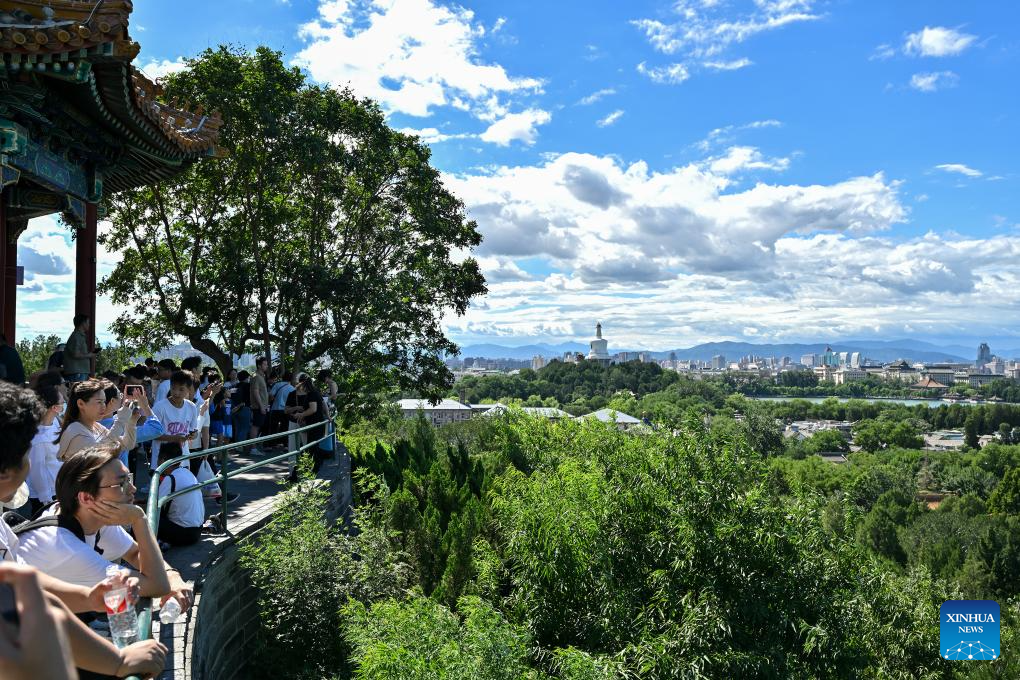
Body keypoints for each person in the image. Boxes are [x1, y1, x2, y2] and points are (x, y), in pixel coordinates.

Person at [0, 382, 169, 679]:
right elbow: (23, 605)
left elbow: (22, 584)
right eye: (28, 451)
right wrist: (117, 662)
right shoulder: (64, 545)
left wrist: (90, 598)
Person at [56, 379, 137, 463]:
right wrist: (121, 420)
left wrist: (131, 422)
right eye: (99, 402)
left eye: (104, 402)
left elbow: (127, 444)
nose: (103, 406)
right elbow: (99, 454)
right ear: (81, 404)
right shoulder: (75, 430)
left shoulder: (96, 426)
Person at [98, 382, 163, 470]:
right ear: (112, 401)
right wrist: (145, 406)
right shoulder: (120, 424)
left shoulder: (90, 425)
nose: (123, 397)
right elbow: (156, 429)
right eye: (120, 395)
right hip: (118, 479)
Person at [150, 372, 199, 475]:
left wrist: (194, 434)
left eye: (181, 389)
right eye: (173, 388)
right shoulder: (160, 407)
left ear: (188, 389)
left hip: (183, 459)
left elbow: (194, 431)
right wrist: (175, 438)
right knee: (162, 489)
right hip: (162, 460)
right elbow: (152, 434)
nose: (176, 392)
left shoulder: (191, 407)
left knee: (181, 489)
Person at [26, 382, 65, 515]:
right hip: (46, 497)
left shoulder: (54, 421)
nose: (64, 402)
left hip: (58, 488)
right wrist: (46, 500)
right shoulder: (38, 438)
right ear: (54, 407)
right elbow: (37, 470)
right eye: (61, 402)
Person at [155, 443, 204, 547]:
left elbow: (155, 507)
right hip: (197, 530)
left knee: (145, 518)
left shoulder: (170, 478)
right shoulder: (188, 472)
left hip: (184, 534)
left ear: (163, 460)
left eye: (157, 458)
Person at [63, 314, 96, 382]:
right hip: (77, 373)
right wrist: (89, 355)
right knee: (79, 392)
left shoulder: (80, 336)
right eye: (88, 322)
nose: (89, 325)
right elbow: (75, 354)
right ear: (83, 323)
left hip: (80, 372)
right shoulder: (76, 336)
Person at [249, 357, 270, 452]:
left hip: (263, 406)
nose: (267, 366)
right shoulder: (256, 376)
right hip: (258, 407)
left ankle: (254, 446)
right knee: (255, 426)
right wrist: (261, 406)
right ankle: (253, 448)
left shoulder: (261, 376)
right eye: (265, 364)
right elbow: (255, 392)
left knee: (258, 426)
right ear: (259, 365)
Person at [230, 371, 253, 454]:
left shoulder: (235, 386)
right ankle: (240, 446)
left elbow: (231, 397)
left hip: (235, 409)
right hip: (245, 408)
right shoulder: (248, 386)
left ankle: (237, 445)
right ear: (247, 378)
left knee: (237, 428)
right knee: (244, 428)